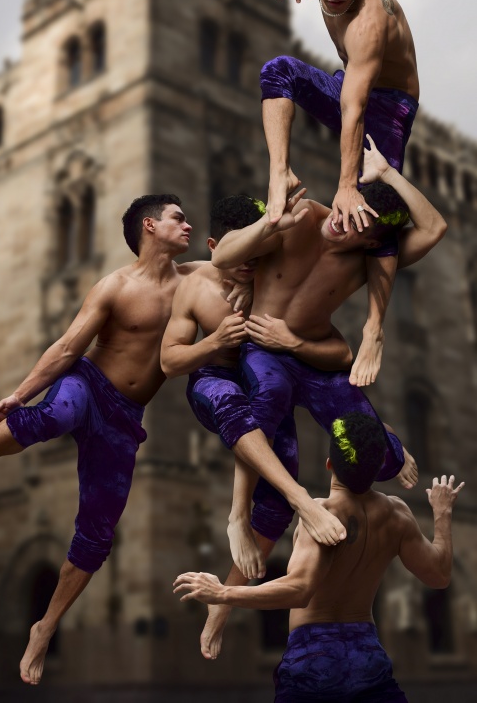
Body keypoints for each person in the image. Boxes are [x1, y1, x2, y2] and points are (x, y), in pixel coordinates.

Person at [0, 194, 217, 686]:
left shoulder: (195, 278)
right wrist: (17, 394)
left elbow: (242, 251)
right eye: (178, 216)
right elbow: (68, 346)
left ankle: (44, 629)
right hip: (87, 384)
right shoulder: (114, 286)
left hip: (124, 418)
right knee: (54, 413)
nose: (188, 223)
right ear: (150, 226)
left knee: (97, 534)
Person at [197, 137, 444, 660]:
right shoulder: (305, 215)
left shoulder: (365, 263)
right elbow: (223, 257)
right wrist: (268, 230)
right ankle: (234, 532)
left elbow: (435, 228)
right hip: (268, 354)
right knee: (263, 410)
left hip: (314, 353)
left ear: (374, 241)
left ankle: (389, 434)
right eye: (349, 210)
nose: (344, 224)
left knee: (382, 460)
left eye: (362, 228)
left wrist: (390, 173)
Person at [174, 412, 464, 703]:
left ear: (329, 465)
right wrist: (442, 514)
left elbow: (300, 589)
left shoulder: (321, 514)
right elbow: (438, 575)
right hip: (367, 654)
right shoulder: (397, 514)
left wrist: (223, 593)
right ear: (377, 469)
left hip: (315, 658)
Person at [161, 194, 354, 579]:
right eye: (241, 252)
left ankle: (221, 608)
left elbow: (339, 351)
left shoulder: (277, 278)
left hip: (267, 393)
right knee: (237, 405)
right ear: (217, 247)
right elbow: (169, 361)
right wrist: (214, 342)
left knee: (276, 502)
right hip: (214, 382)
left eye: (257, 251)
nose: (250, 262)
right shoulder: (197, 286)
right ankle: (291, 502)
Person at [264, 0, 419, 387]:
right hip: (348, 82)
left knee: (377, 211)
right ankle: (279, 173)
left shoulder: (371, 22)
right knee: (278, 71)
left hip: (386, 106)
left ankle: (374, 327)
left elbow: (354, 111)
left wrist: (348, 185)